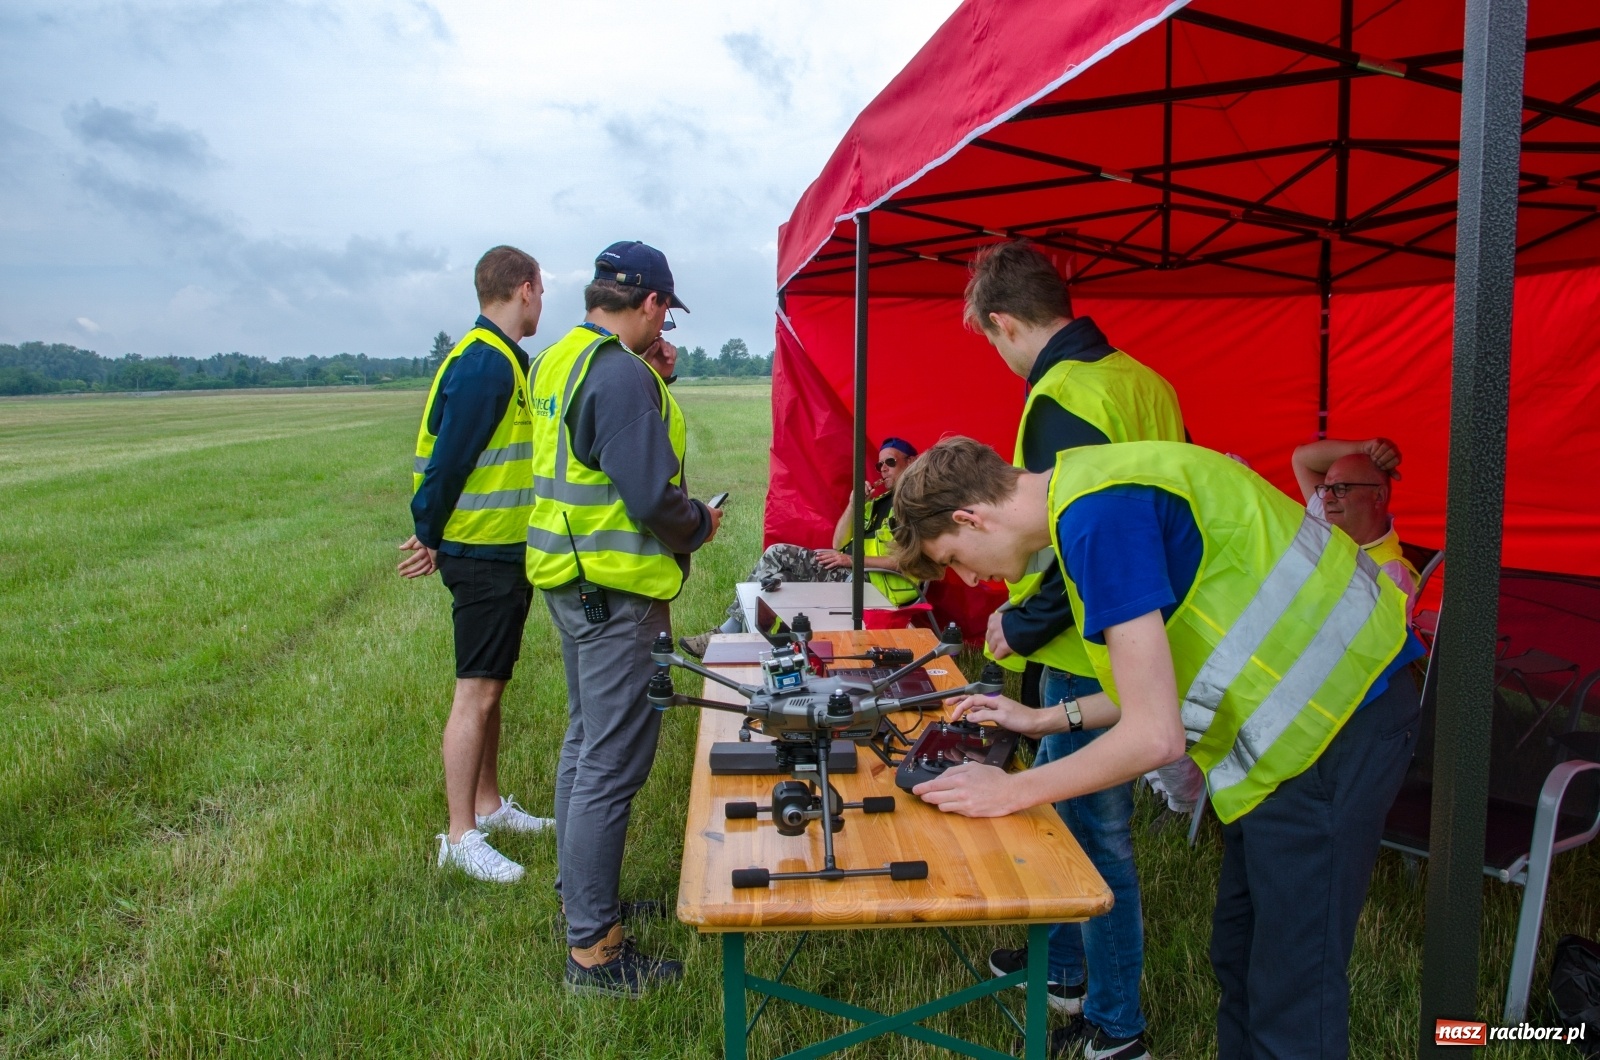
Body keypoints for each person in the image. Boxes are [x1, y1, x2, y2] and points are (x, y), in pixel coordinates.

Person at [891, 437, 1423, 1060]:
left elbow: (1155, 736)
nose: (971, 579)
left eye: (954, 557)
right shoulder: (1089, 492)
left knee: (1293, 986)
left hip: (1340, 722)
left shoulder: (1096, 520)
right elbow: (1152, 690)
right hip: (1306, 731)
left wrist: (1012, 790)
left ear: (970, 517)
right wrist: (1042, 718)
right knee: (1240, 952)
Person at [966, 241, 1185, 1058]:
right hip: (1138, 628)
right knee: (1073, 824)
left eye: (992, 342)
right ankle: (1062, 969)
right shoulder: (1143, 381)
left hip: (1085, 644)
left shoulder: (1061, 393)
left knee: (1093, 838)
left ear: (1005, 322)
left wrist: (1022, 623)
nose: (1000, 357)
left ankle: (1116, 1022)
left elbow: (1073, 529)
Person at [524, 241, 720, 996]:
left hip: (569, 583)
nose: (664, 323)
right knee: (612, 764)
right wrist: (700, 521)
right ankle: (594, 953)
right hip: (616, 594)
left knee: (584, 743)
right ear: (649, 304)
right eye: (665, 310)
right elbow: (649, 499)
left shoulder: (562, 358)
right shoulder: (620, 373)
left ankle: (584, 898)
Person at [399, 245, 554, 885]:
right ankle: (460, 834)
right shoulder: (486, 365)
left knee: (493, 688)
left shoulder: (503, 360)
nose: (543, 301)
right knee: (476, 692)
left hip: (501, 549)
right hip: (481, 550)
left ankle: (488, 806)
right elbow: (449, 461)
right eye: (542, 289)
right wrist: (429, 534)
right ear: (524, 288)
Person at [676, 437, 920, 658]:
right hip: (852, 575)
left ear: (910, 462)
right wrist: (854, 505)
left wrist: (852, 561)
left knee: (778, 553)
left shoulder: (913, 507)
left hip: (877, 586)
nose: (883, 469)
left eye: (890, 462)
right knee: (780, 580)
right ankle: (742, 640)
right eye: (879, 465)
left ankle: (725, 636)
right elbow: (838, 543)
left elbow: (909, 561)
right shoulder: (877, 502)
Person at [1292, 437, 1420, 609]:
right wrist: (1362, 447)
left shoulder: (1389, 574)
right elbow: (1301, 459)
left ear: (1378, 496)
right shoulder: (1329, 517)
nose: (1327, 499)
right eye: (1326, 488)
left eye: (1341, 488)